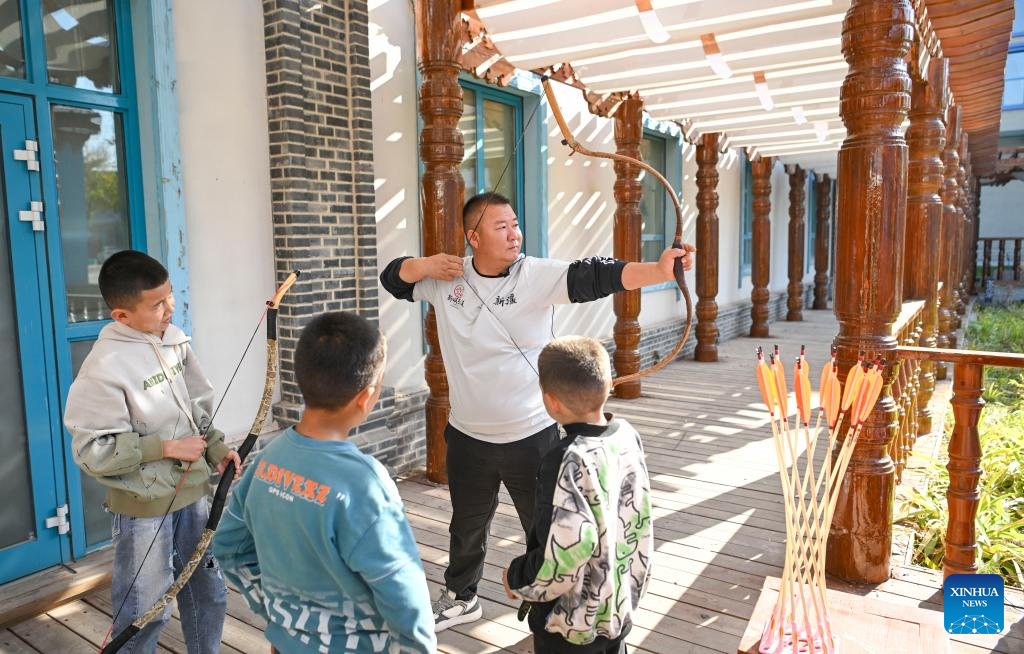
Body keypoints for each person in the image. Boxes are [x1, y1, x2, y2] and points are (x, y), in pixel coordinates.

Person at [379, 191, 691, 631]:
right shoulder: (447, 278)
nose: (514, 234)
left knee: (545, 528)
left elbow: (595, 276)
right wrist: (424, 265)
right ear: (473, 237)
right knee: (466, 526)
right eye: (501, 226)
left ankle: (553, 605)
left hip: (531, 435)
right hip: (467, 435)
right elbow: (393, 279)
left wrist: (657, 271)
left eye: (515, 224)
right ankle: (462, 597)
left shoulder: (534, 274)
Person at [213, 312, 435, 654]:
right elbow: (403, 592)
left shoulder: (266, 461)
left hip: (285, 644)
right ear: (367, 396)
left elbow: (228, 546)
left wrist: (278, 612)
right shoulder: (365, 484)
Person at [65, 250, 238, 654]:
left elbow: (195, 407)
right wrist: (165, 447)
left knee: (209, 591)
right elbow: (91, 449)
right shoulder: (104, 367)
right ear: (122, 315)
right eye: (157, 303)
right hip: (143, 511)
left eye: (170, 295)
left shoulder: (174, 341)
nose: (170, 308)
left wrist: (215, 447)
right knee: (145, 613)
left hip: (191, 495)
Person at [503, 336, 653, 654]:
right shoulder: (627, 436)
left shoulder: (566, 459)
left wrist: (517, 578)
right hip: (617, 608)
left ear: (551, 402)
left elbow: (565, 551)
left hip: (570, 629)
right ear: (608, 386)